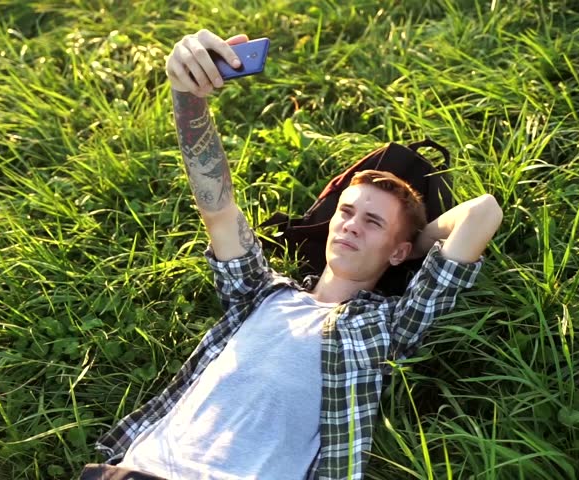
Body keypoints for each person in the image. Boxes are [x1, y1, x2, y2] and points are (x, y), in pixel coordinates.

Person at [82, 29, 503, 480]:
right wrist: (186, 95)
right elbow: (219, 211)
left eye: (373, 222)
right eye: (346, 211)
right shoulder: (259, 293)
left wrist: (414, 245)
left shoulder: (388, 326)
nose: (352, 225)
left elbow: (483, 212)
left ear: (398, 251)